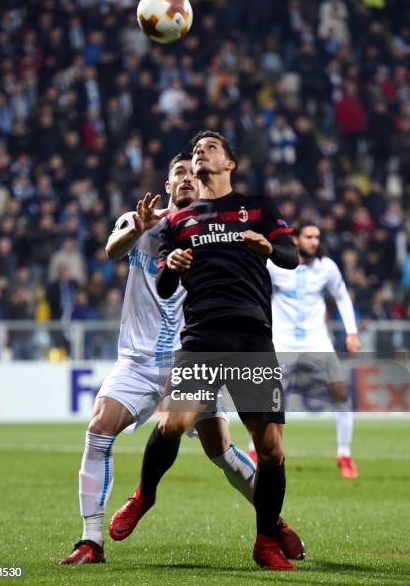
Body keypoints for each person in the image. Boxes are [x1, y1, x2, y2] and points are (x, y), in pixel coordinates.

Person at [60, 153, 273, 565]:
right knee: (99, 427)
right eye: (179, 173)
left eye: (194, 173)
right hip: (138, 362)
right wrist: (136, 229)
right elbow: (110, 250)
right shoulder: (141, 222)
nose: (188, 178)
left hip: (192, 358)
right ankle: (90, 540)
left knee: (221, 450)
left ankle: (272, 521)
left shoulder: (216, 232)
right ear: (169, 184)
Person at [150, 131, 300, 571]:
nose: (201, 152)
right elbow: (164, 285)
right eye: (197, 149)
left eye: (210, 147)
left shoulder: (258, 207)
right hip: (202, 338)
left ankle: (265, 542)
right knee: (174, 422)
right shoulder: (178, 222)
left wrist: (269, 246)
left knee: (270, 449)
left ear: (230, 163)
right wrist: (171, 266)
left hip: (253, 338)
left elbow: (290, 256)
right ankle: (143, 496)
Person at [250, 220, 361, 478]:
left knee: (341, 394)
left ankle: (344, 454)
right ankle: (254, 450)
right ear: (296, 239)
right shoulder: (275, 265)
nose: (314, 241)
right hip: (282, 342)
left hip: (317, 342)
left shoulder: (327, 268)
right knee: (270, 400)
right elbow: (255, 291)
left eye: (317, 237)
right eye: (309, 236)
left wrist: (352, 332)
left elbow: (342, 297)